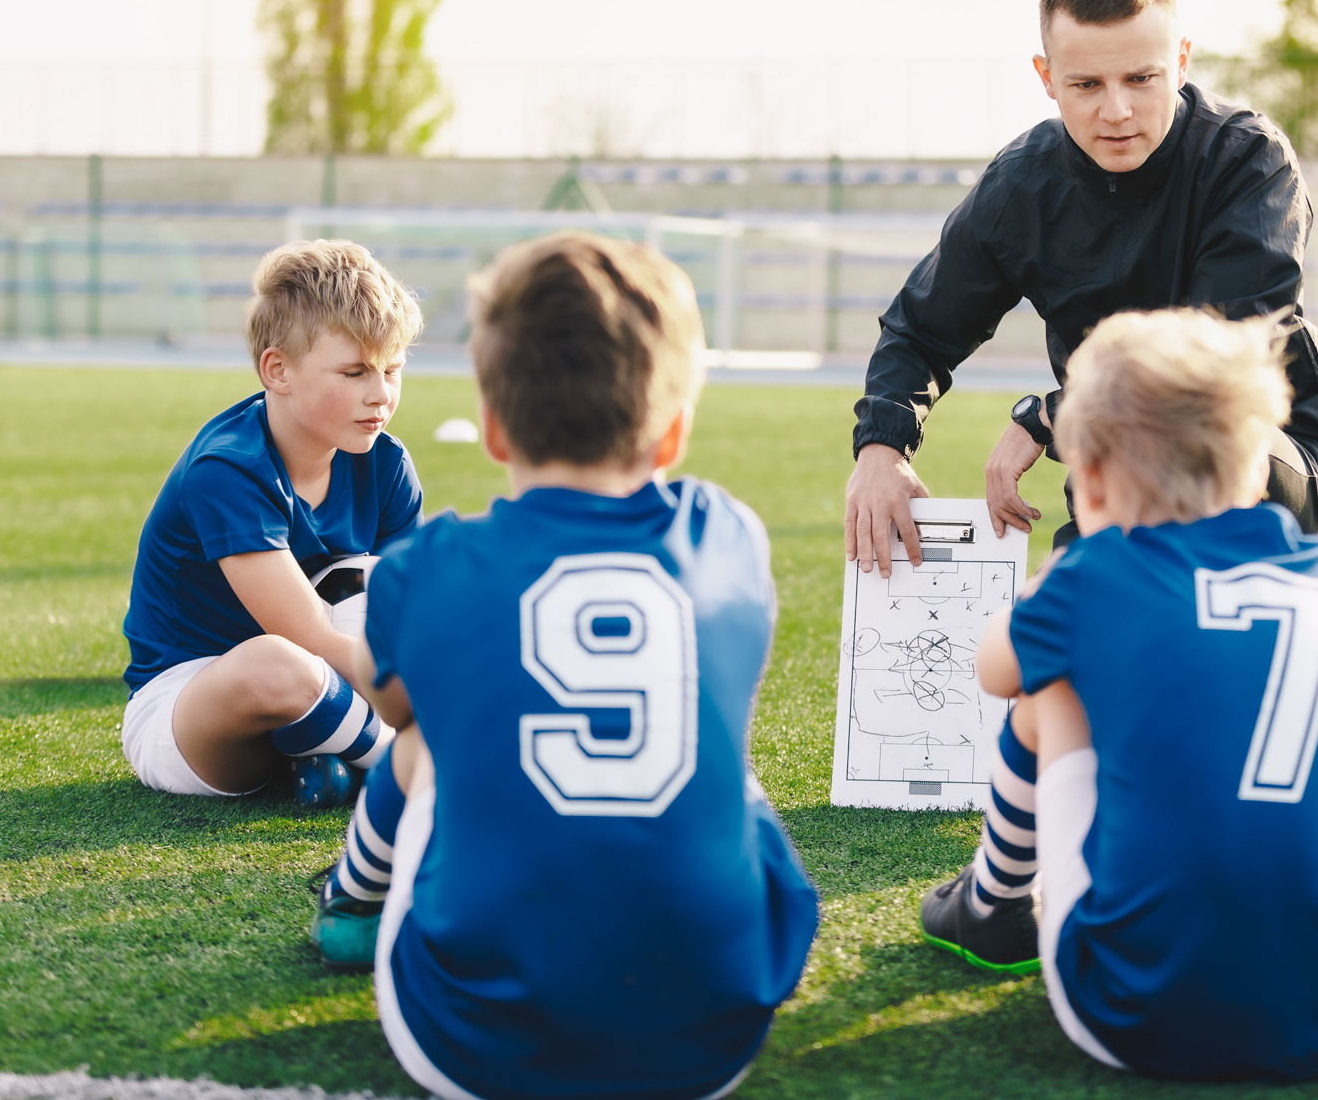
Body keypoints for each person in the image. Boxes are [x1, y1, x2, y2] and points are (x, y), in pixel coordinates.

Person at [309, 230, 819, 1100]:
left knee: (427, 737)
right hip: (714, 1041)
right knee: (714, 746)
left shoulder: (428, 566)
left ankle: (351, 903)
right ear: (674, 432)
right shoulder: (728, 536)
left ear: (496, 427)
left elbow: (399, 711)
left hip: (473, 1048)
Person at [918, 307, 1318, 1079]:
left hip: (1143, 1015)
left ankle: (992, 903)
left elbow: (995, 669)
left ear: (1086, 475)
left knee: (1047, 691)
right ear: (1259, 464)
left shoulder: (1094, 577)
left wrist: (1048, 588)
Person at [846, 0, 1318, 583]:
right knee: (1062, 637)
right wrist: (882, 450)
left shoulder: (1248, 160)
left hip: (1264, 456)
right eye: (1086, 85)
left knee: (1207, 450)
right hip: (1108, 473)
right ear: (1046, 76)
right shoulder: (1022, 185)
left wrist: (1048, 417)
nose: (1116, 111)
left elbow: (1213, 356)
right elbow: (919, 329)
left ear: (1182, 60)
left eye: (1142, 78)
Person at [118, 239, 422, 800]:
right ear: (277, 370)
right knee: (276, 664)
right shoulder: (230, 469)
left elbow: (409, 613)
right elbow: (306, 639)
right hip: (194, 704)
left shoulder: (386, 464)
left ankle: (332, 754)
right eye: (355, 372)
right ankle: (414, 769)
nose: (380, 394)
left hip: (326, 683)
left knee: (385, 589)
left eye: (392, 370)